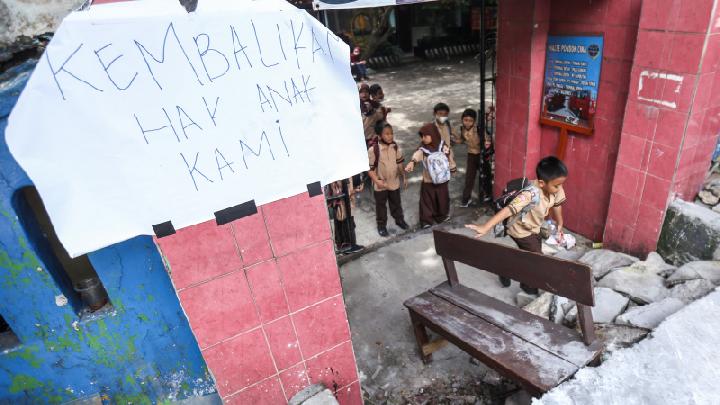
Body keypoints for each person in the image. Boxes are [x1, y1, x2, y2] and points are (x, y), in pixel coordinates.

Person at [465, 156, 568, 294]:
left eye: (561, 184)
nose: (559, 188)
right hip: (519, 229)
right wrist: (486, 226)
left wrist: (560, 222)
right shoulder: (529, 194)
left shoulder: (556, 188)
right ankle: (528, 286)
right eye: (556, 186)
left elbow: (557, 204)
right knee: (536, 258)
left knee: (530, 255)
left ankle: (505, 269)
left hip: (534, 228)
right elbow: (509, 210)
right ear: (542, 183)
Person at [405, 123, 457, 229]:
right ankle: (426, 220)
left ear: (433, 134)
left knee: (442, 198)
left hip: (442, 179)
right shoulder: (423, 148)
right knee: (427, 200)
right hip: (428, 179)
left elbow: (449, 157)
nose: (423, 139)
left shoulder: (443, 145)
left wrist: (452, 167)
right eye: (422, 136)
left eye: (425, 136)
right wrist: (412, 162)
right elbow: (417, 155)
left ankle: (441, 216)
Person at [368, 123, 409, 236]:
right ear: (380, 136)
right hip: (380, 184)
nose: (390, 136)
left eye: (391, 133)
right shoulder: (373, 150)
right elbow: (370, 169)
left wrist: (403, 176)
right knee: (381, 206)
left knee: (396, 202)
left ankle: (399, 220)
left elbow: (399, 163)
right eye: (387, 134)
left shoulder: (394, 147)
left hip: (394, 181)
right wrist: (377, 181)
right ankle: (381, 225)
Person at [456, 109, 494, 207]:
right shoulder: (462, 129)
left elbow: (487, 140)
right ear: (462, 120)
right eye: (465, 120)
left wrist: (487, 144)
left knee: (486, 175)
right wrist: (452, 140)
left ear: (474, 121)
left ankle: (488, 195)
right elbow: (462, 139)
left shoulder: (479, 129)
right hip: (471, 155)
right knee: (469, 177)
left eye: (470, 120)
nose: (467, 123)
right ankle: (466, 199)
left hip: (481, 155)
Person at [325, 178, 364, 254]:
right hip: (340, 195)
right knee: (343, 218)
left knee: (342, 219)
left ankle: (342, 245)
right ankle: (347, 245)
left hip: (342, 193)